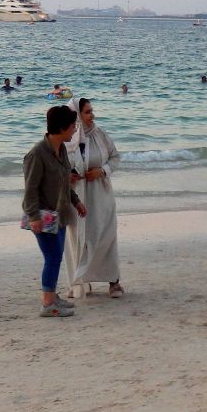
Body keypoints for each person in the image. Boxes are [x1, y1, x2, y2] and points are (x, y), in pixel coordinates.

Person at [23, 105, 87, 317]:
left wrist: (76, 201)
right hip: (43, 215)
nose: (75, 129)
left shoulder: (61, 151)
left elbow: (64, 182)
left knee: (56, 256)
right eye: (72, 126)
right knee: (52, 257)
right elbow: (30, 188)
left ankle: (51, 296)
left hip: (59, 213)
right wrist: (33, 217)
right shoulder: (37, 154)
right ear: (61, 128)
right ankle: (47, 304)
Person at [64, 98, 124, 298]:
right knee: (79, 238)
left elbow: (115, 157)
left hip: (101, 195)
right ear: (77, 116)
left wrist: (102, 171)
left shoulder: (100, 135)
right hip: (77, 197)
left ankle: (113, 282)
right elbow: (57, 167)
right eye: (88, 112)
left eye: (92, 111)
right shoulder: (67, 140)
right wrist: (68, 175)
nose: (92, 115)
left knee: (106, 235)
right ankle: (80, 282)